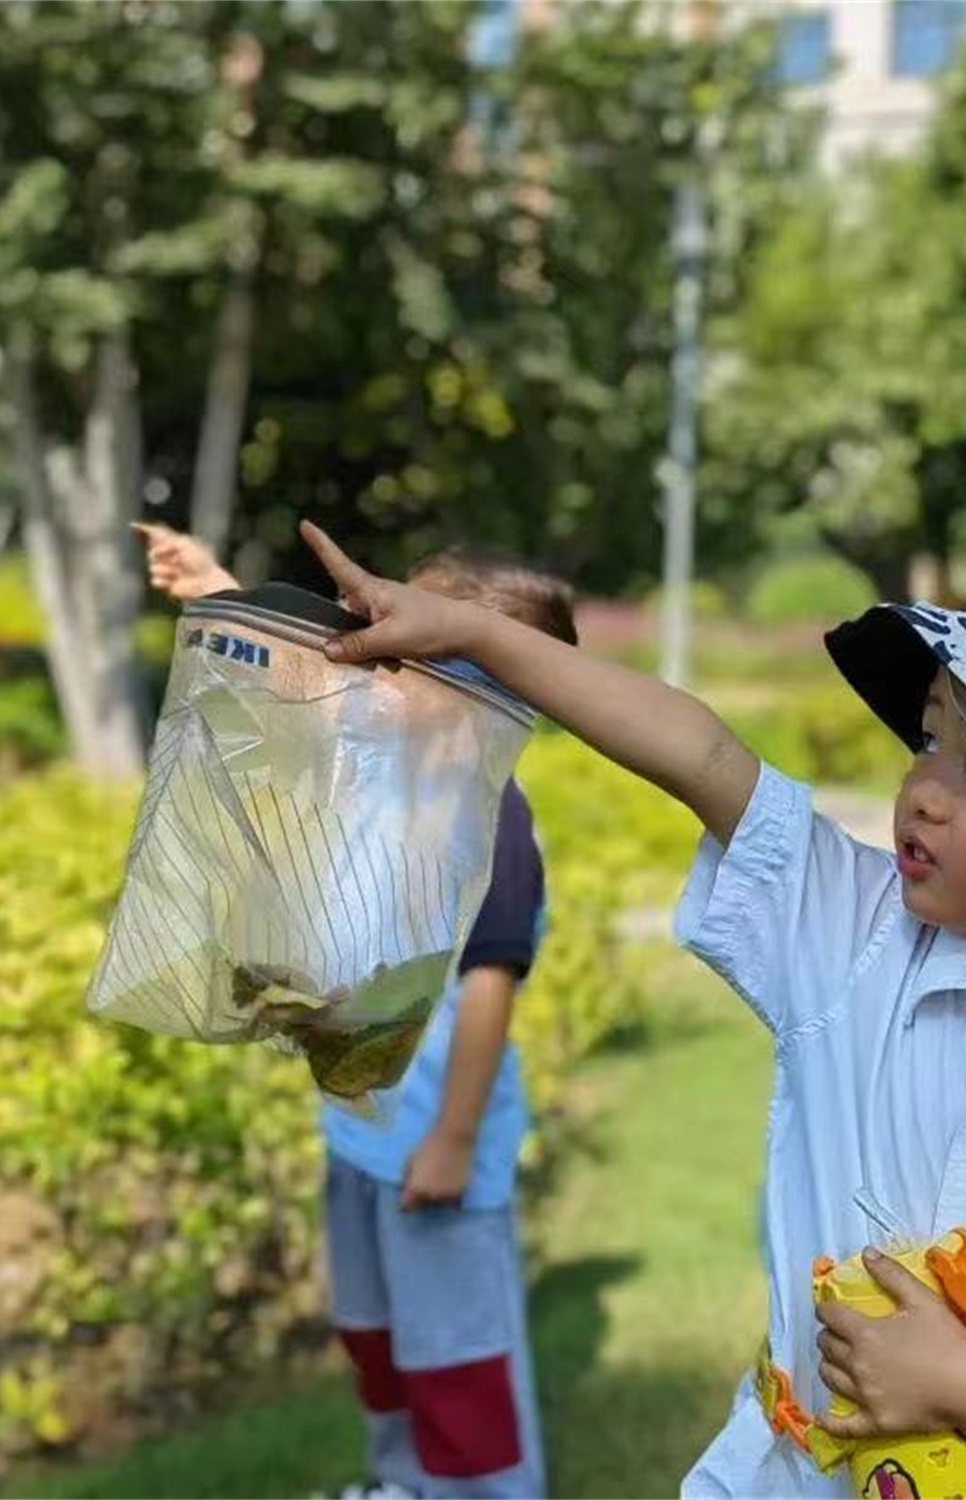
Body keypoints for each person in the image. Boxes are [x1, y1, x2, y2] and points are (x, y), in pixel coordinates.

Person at [295, 521, 966, 1498]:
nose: (922, 791)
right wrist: (472, 633)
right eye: (931, 739)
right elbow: (701, 757)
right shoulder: (853, 938)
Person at [142, 523, 574, 1500]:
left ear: (481, 680)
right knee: (381, 1340)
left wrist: (452, 1140)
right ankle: (401, 1483)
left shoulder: (491, 817)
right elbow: (296, 687)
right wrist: (214, 588)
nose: (366, 654)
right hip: (365, 1136)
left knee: (455, 1352)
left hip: (435, 1150)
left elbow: (488, 987)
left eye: (395, 639)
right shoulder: (390, 772)